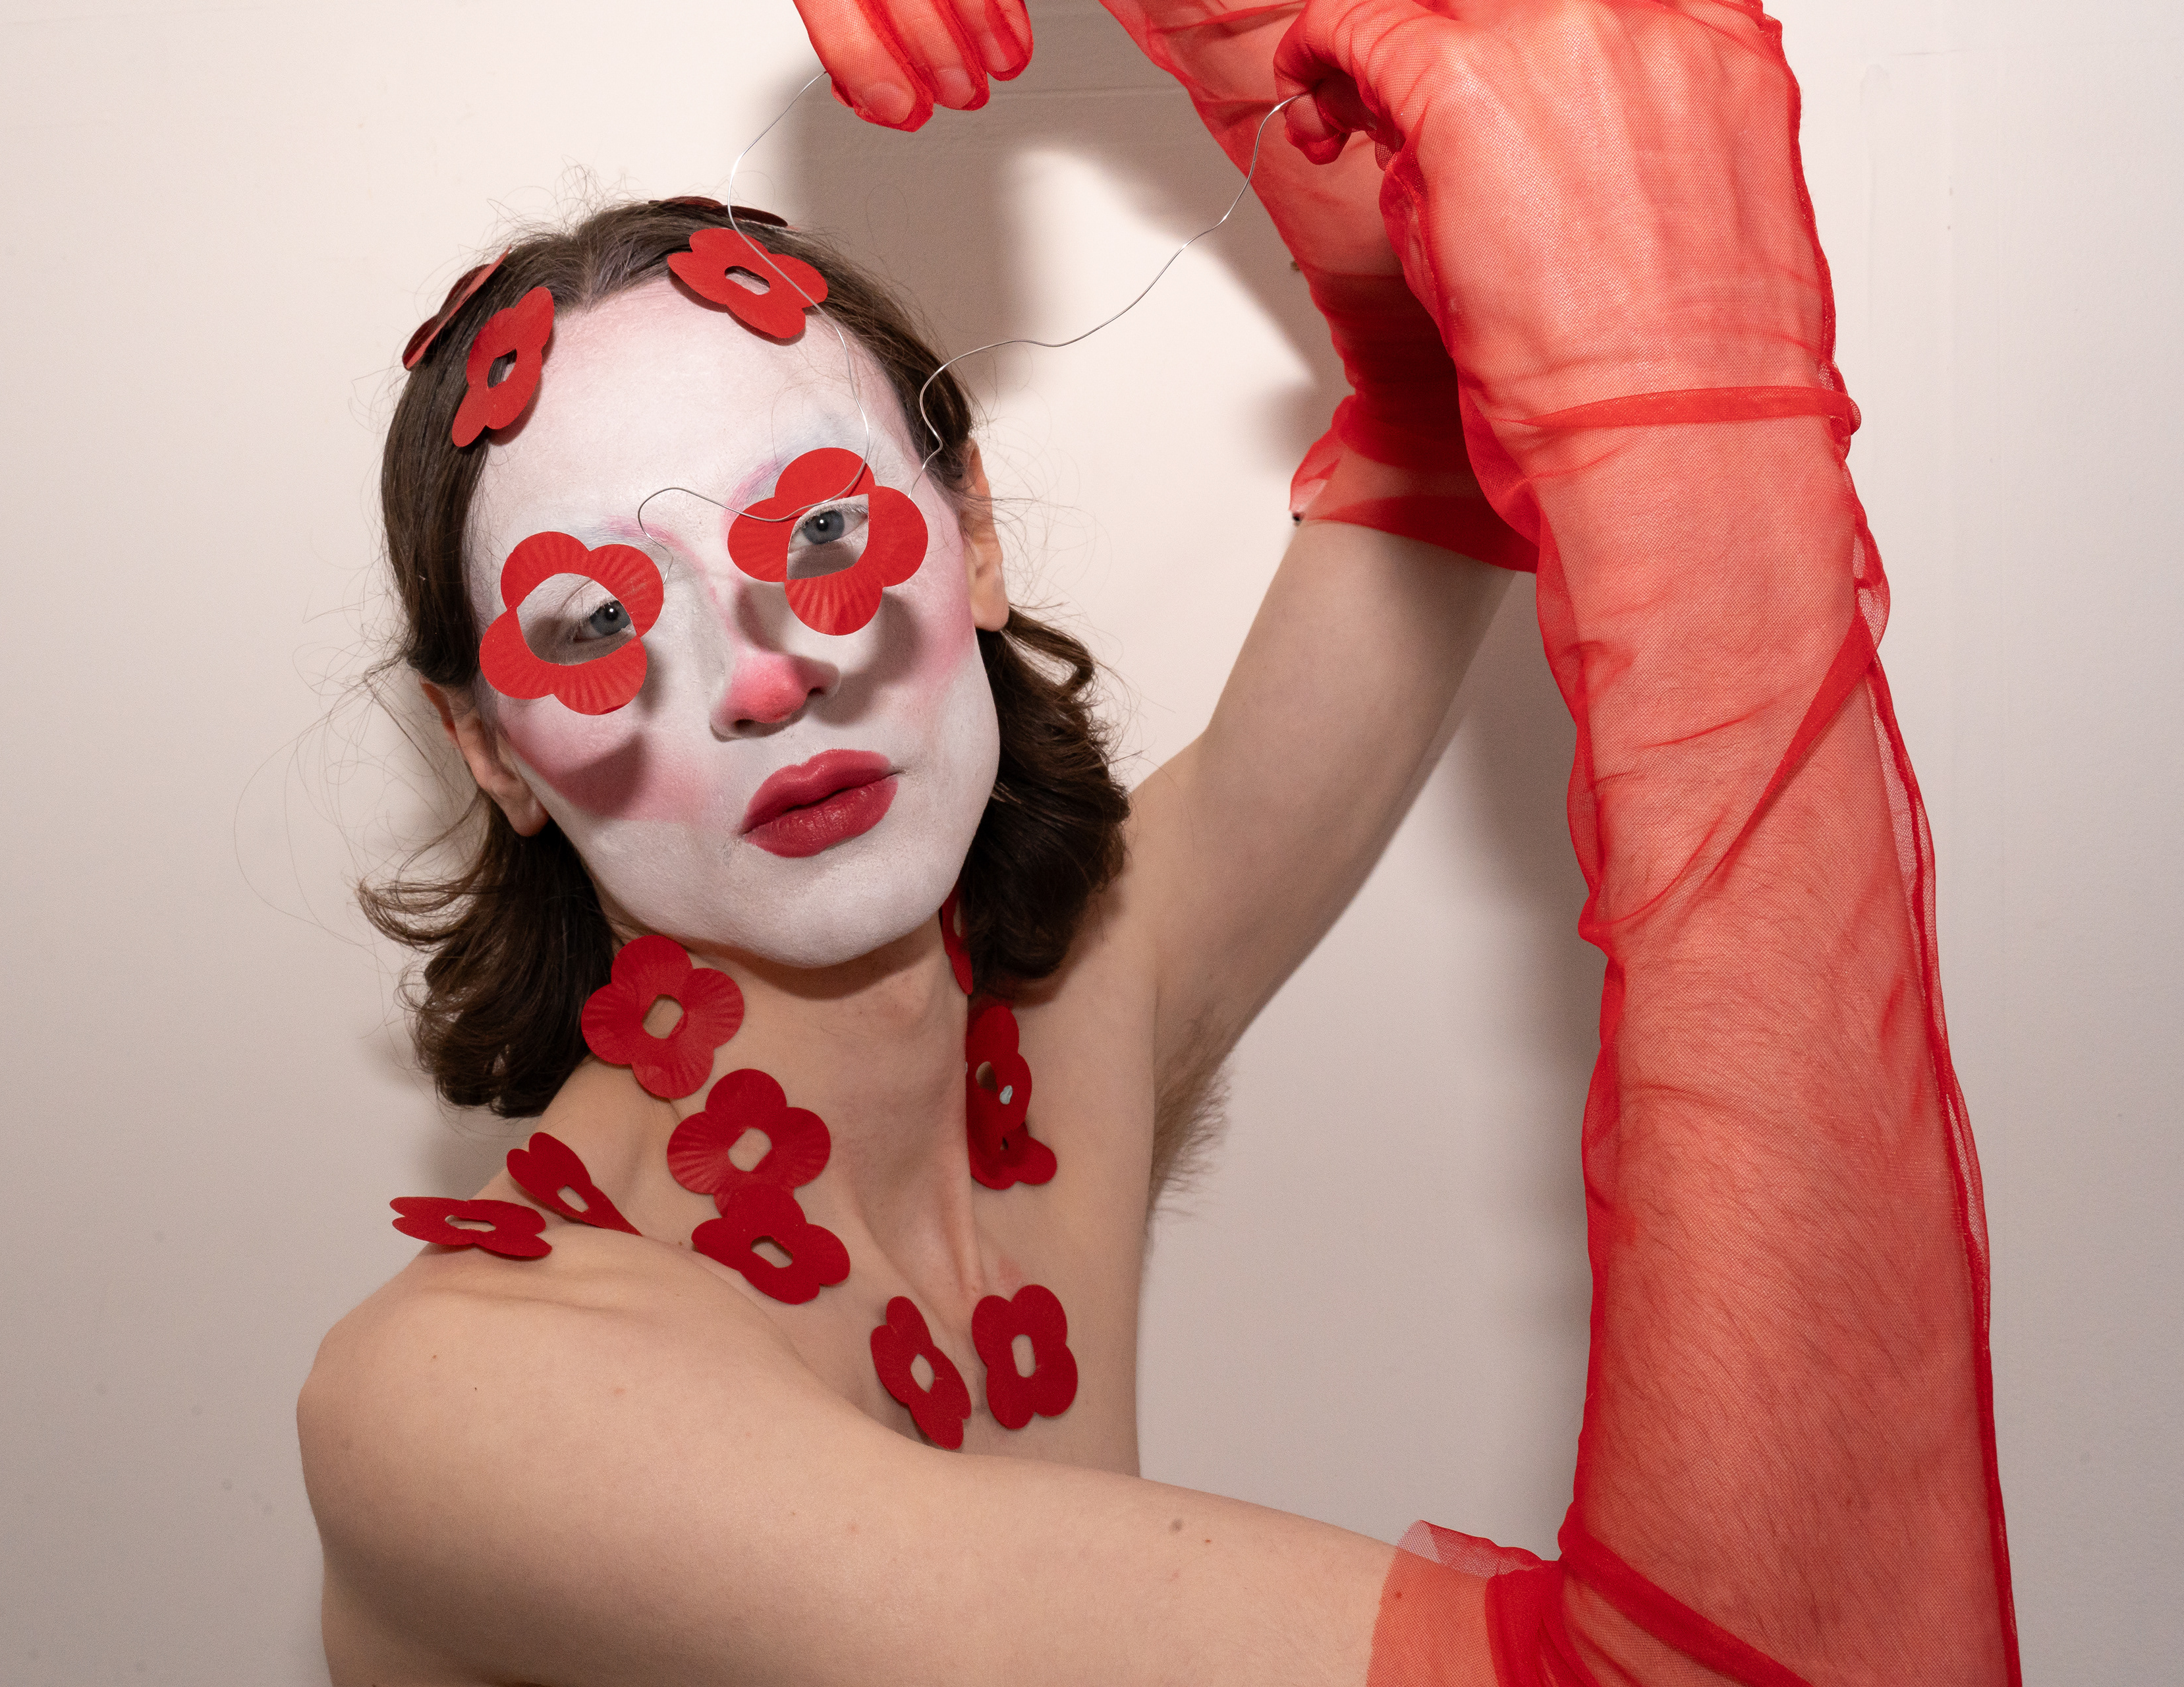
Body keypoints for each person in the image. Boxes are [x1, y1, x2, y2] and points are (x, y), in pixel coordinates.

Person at [297, 2, 2019, 1682]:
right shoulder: (461, 1410)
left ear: (971, 538)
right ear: (491, 749)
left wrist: (1348, 145)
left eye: (820, 528)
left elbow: (1434, 459)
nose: (765, 679)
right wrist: (1695, 449)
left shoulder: (1064, 1030)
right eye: (597, 624)